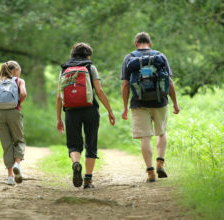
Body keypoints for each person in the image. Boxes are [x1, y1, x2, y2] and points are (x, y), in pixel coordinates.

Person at [121, 32, 180, 182]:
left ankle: (150, 172)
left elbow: (125, 84)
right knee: (161, 132)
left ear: (135, 44)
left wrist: (125, 107)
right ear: (150, 43)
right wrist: (175, 103)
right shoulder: (160, 56)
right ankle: (160, 162)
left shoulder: (129, 58)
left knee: (145, 137)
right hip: (160, 101)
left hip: (139, 103)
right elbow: (169, 82)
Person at [56, 42, 115, 189]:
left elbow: (59, 96)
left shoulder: (64, 69)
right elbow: (99, 91)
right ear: (88, 55)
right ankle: (88, 180)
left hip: (70, 111)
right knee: (91, 142)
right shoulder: (90, 67)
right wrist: (110, 110)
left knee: (74, 144)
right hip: (90, 110)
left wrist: (59, 118)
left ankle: (76, 163)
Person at [0, 61, 27, 185]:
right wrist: (18, 103)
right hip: (14, 112)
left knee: (6, 144)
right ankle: (17, 165)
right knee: (19, 140)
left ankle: (10, 177)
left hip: (0, 114)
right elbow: (23, 94)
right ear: (15, 71)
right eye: (18, 71)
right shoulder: (19, 81)